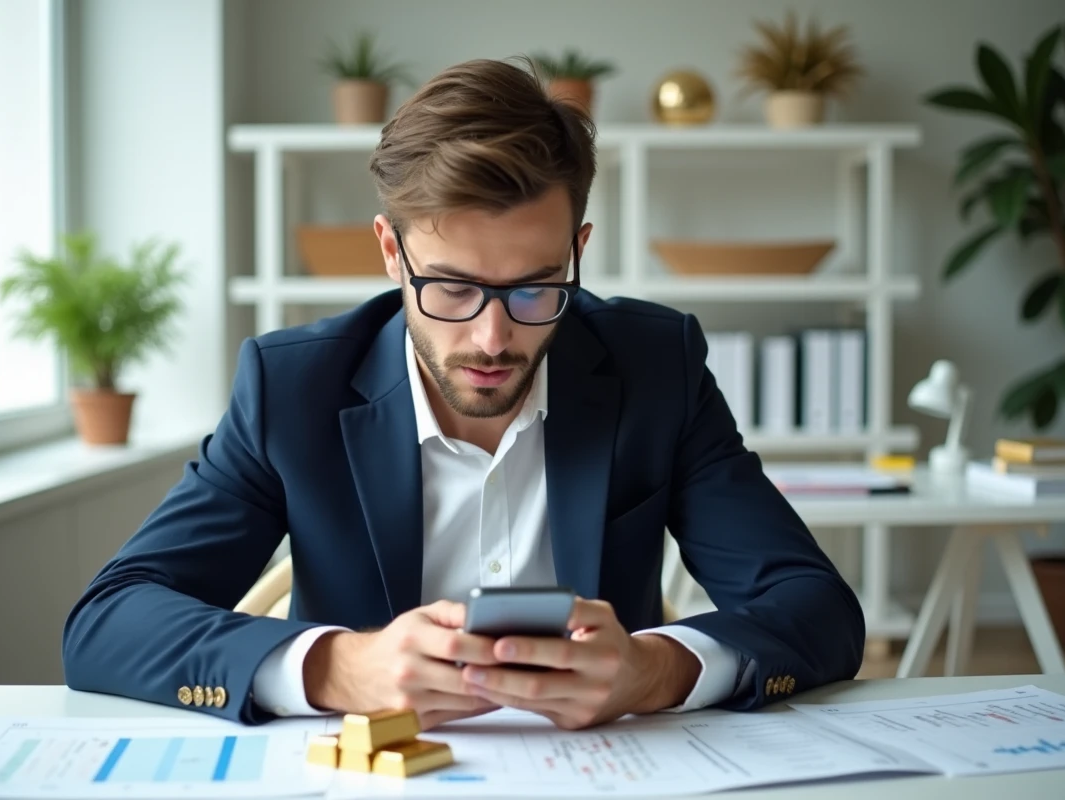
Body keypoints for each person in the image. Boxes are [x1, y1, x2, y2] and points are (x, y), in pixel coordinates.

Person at [62, 58, 864, 730]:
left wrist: (653, 670)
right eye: (450, 287)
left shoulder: (657, 365)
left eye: (534, 288)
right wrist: (339, 668)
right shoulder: (291, 387)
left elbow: (815, 608)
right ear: (389, 251)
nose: (491, 338)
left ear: (577, 251)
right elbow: (108, 622)